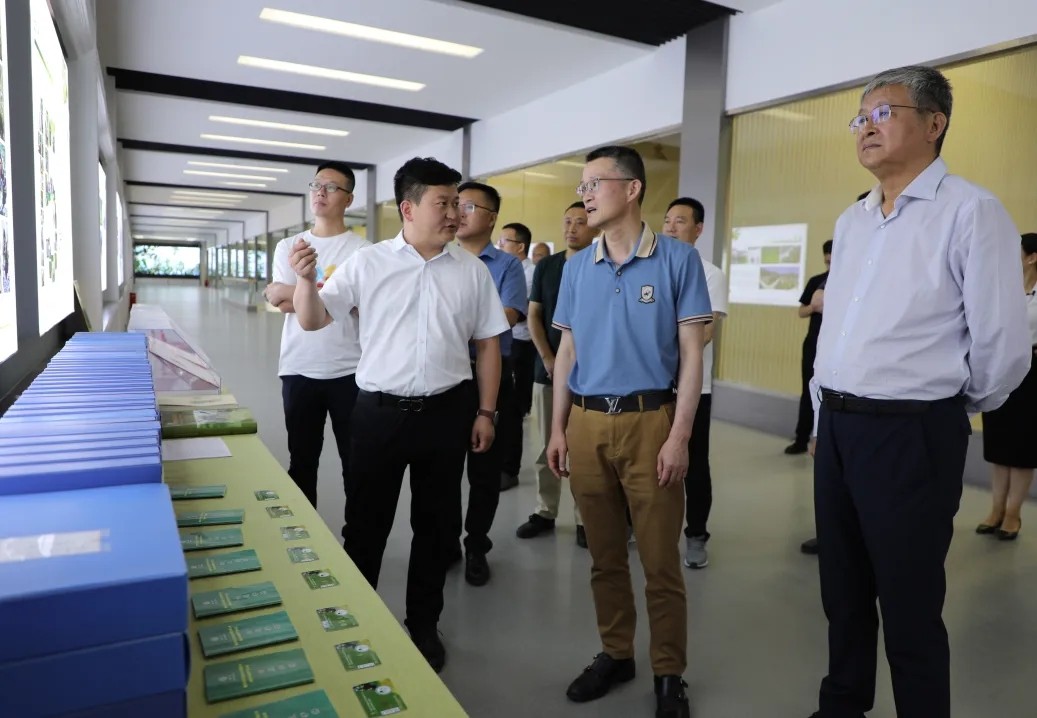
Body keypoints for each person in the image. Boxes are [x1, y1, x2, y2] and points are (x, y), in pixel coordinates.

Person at [807, 66, 1030, 718]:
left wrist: (941, 406)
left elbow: (1001, 342)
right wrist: (822, 414)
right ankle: (841, 705)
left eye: (883, 113)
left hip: (911, 430)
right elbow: (838, 330)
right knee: (842, 592)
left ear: (935, 123)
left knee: (908, 604)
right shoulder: (853, 219)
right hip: (839, 426)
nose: (865, 127)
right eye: (860, 117)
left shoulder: (971, 211)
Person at [288, 157, 508, 673]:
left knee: (435, 529)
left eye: (458, 203)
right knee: (365, 527)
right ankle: (358, 621)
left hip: (446, 414)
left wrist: (486, 411)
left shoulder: (472, 271)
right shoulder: (368, 263)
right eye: (444, 203)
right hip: (377, 415)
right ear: (408, 209)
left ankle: (423, 625)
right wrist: (305, 280)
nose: (455, 213)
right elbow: (313, 319)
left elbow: (488, 346)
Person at [548, 146, 712, 718]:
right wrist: (558, 429)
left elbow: (692, 355)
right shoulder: (576, 267)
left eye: (595, 183)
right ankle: (617, 653)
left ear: (633, 188)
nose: (585, 195)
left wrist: (680, 435)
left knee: (661, 562)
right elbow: (566, 352)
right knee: (604, 556)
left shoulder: (677, 260)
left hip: (650, 422)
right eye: (583, 185)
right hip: (587, 422)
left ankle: (669, 671)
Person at [264, 161, 370, 508]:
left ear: (348, 199)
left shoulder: (363, 251)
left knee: (355, 464)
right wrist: (335, 297)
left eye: (331, 187)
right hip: (299, 367)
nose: (320, 192)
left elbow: (363, 306)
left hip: (350, 371)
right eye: (316, 185)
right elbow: (281, 303)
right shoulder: (290, 246)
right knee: (301, 462)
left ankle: (356, 537)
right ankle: (303, 530)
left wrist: (300, 292)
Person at [454, 182, 527, 585]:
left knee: (484, 471)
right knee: (443, 469)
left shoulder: (506, 265)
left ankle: (477, 546)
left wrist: (452, 322)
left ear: (491, 217)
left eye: (469, 206)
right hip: (446, 376)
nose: (459, 211)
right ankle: (445, 541)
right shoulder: (440, 256)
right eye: (456, 204)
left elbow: (507, 317)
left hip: (492, 374)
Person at [515, 202, 596, 548]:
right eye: (567, 222)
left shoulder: (602, 264)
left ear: (595, 227)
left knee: (584, 452)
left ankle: (584, 518)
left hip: (591, 376)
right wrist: (547, 357)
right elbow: (534, 316)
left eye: (580, 222)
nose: (572, 228)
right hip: (547, 370)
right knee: (545, 445)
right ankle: (545, 511)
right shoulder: (547, 266)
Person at [662, 197, 728, 569]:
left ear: (698, 229)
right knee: (647, 459)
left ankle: (697, 535)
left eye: (681, 221)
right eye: (667, 220)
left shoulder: (709, 274)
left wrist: (658, 350)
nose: (671, 227)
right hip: (652, 387)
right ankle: (643, 525)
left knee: (694, 463)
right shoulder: (651, 268)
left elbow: (706, 331)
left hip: (692, 388)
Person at [976, 232, 1037, 541]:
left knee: (1023, 447)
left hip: (1032, 373)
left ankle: (1013, 514)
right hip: (1001, 368)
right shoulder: (1004, 289)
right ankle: (996, 510)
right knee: (1000, 444)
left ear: (1032, 257)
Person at [498, 222, 537, 490]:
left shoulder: (529, 272)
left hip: (522, 345)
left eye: (505, 242)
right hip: (504, 344)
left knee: (513, 408)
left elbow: (520, 313)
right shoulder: (502, 269)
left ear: (520, 246)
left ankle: (509, 468)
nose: (500, 246)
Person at [785, 240, 833, 456]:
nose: (830, 265)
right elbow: (801, 311)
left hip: (833, 345)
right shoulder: (816, 281)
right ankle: (801, 438)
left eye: (833, 260)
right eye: (827, 261)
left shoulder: (846, 281)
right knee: (808, 390)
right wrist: (814, 306)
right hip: (813, 343)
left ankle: (823, 439)